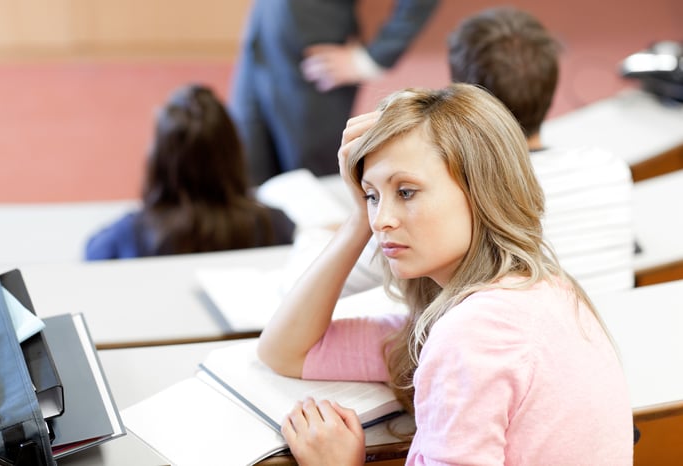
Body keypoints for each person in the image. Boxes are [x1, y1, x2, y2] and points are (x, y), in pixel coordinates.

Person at [257, 84, 633, 465]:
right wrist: (357, 219)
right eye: (372, 196)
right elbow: (286, 351)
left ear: (481, 191)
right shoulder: (545, 289)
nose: (381, 221)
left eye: (406, 192)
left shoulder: (474, 334)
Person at [448, 6, 635, 294]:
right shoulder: (608, 167)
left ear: (466, 98)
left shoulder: (459, 193)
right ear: (553, 84)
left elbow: (356, 280)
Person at [229, 0, 439, 186]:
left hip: (315, 60)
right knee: (248, 171)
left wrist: (371, 59)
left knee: (311, 188)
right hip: (260, 39)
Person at [85, 84, 295, 260]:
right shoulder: (273, 226)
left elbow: (91, 254)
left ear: (159, 160)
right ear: (234, 154)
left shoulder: (128, 236)